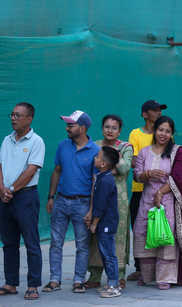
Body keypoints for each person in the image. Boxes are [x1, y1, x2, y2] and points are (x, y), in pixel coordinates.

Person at [133, 116, 182, 289]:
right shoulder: (144, 152)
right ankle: (147, 276)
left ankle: (165, 278)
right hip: (146, 201)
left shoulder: (176, 152)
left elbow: (179, 177)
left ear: (172, 134)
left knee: (165, 237)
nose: (163, 134)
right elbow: (137, 175)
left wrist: (160, 192)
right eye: (161, 129)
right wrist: (148, 174)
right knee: (144, 234)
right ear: (155, 130)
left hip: (168, 202)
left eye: (167, 131)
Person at [0, 103, 45, 300]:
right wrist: (1, 190)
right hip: (5, 197)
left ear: (29, 119)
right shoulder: (7, 140)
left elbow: (31, 170)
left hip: (26, 198)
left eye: (18, 115)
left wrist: (11, 189)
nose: (13, 118)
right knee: (9, 243)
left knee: (31, 243)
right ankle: (11, 283)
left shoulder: (36, 141)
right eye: (12, 115)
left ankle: (33, 285)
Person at [44, 110, 99, 294]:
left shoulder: (95, 151)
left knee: (82, 245)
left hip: (82, 204)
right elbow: (57, 171)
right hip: (60, 201)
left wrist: (91, 210)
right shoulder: (62, 146)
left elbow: (94, 183)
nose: (67, 128)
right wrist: (51, 197)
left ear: (82, 128)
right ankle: (54, 280)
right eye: (67, 125)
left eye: (71, 125)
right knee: (55, 242)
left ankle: (78, 280)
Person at [84, 115, 133, 290]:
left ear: (120, 131)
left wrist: (113, 153)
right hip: (96, 193)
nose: (110, 130)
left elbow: (124, 168)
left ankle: (119, 275)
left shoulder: (126, 147)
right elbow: (93, 169)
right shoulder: (95, 145)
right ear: (102, 128)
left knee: (116, 236)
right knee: (95, 236)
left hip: (118, 199)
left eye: (114, 128)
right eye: (106, 127)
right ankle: (95, 276)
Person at [127, 100, 167, 282]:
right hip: (139, 190)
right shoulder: (135, 134)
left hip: (162, 191)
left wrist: (147, 165)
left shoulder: (164, 134)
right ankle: (139, 267)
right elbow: (134, 161)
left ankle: (160, 266)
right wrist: (150, 169)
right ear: (145, 114)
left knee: (161, 229)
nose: (158, 113)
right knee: (139, 229)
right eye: (154, 111)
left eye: (160, 111)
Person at [89, 146, 122, 298]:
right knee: (104, 254)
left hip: (106, 225)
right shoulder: (102, 177)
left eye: (97, 157)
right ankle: (110, 283)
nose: (94, 158)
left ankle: (114, 285)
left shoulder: (105, 181)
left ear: (103, 164)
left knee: (109, 255)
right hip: (104, 224)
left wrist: (94, 223)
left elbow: (101, 206)